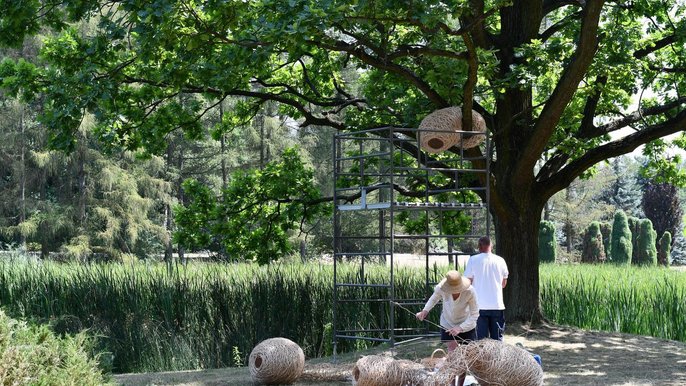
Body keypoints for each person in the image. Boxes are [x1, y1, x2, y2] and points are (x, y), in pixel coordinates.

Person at [416, 270, 479, 386]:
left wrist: (460, 328)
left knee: (463, 357)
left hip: (466, 324)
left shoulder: (470, 291)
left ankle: (460, 384)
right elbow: (433, 299)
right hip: (447, 322)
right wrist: (424, 311)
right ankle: (451, 384)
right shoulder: (442, 287)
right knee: (452, 354)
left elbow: (475, 314)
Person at [464, 236, 509, 341]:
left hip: (479, 305)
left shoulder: (473, 260)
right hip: (497, 305)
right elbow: (503, 283)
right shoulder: (500, 260)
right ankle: (498, 358)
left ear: (479, 246)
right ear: (491, 246)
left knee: (480, 340)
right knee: (497, 340)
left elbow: (468, 282)